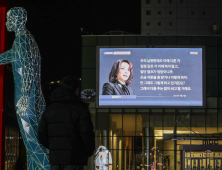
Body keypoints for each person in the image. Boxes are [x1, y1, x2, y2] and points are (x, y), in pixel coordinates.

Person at [0, 7, 49, 169]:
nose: (7, 22)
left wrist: (25, 97)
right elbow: (8, 56)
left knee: (33, 146)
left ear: (20, 20)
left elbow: (27, 67)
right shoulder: (26, 39)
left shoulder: (21, 40)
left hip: (26, 99)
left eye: (9, 19)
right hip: (35, 99)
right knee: (31, 149)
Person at [38, 76, 95, 170]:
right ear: (77, 90)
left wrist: (54, 147)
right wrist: (88, 152)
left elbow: (41, 134)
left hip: (56, 158)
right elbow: (86, 134)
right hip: (75, 158)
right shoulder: (81, 109)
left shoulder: (50, 110)